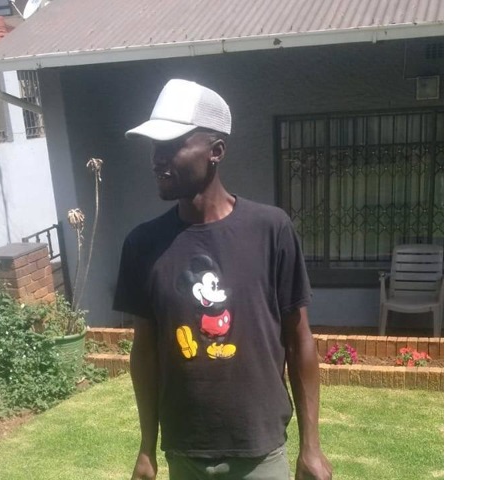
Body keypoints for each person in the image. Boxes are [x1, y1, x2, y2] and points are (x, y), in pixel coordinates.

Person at [113, 78, 332, 480]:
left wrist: (311, 447)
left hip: (261, 454)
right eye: (155, 147)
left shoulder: (271, 230)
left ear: (216, 151)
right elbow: (144, 351)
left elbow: (298, 338)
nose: (158, 159)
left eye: (172, 145)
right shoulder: (143, 245)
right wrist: (146, 448)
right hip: (185, 454)